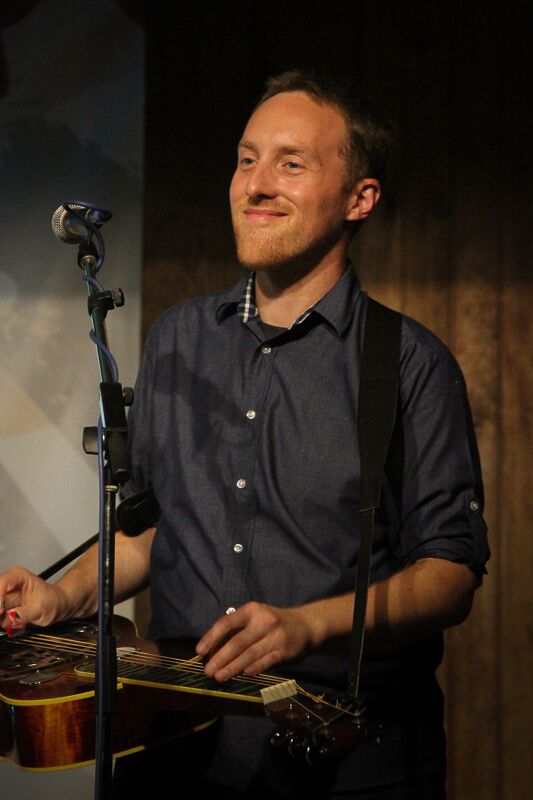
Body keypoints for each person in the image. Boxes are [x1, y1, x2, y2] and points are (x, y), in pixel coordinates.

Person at [0, 71, 488, 798]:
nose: (255, 185)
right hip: (175, 751)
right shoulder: (178, 339)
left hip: (346, 762)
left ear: (359, 198)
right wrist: (63, 597)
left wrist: (306, 626)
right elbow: (151, 529)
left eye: (291, 164)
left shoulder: (410, 363)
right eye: (246, 159)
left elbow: (450, 575)